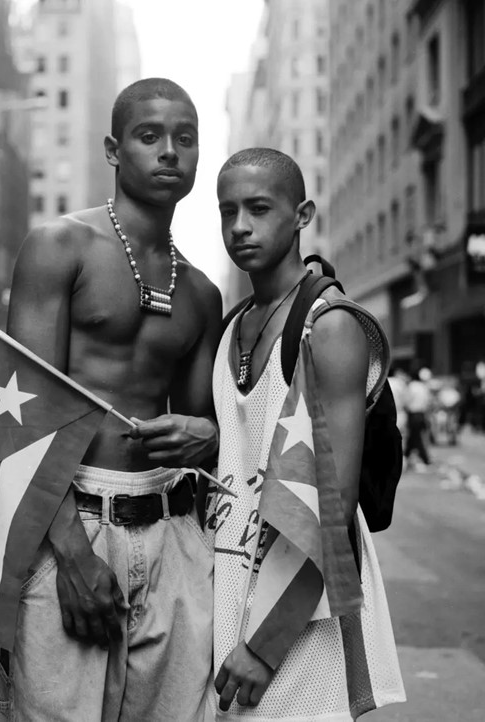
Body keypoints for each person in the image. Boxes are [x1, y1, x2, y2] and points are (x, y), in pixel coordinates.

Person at [0, 78, 223, 721]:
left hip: (174, 532)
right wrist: (70, 553)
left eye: (185, 138)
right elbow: (21, 413)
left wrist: (206, 436)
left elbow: (202, 430)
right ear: (114, 149)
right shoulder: (59, 246)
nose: (169, 152)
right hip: (69, 522)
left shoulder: (202, 294)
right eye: (150, 136)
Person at [204, 148, 405, 720]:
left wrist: (264, 647)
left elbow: (330, 510)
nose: (240, 226)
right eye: (228, 211)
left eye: (260, 208)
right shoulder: (231, 328)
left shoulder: (331, 326)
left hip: (298, 608)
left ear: (302, 214)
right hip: (231, 592)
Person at [404, 368, 433, 469]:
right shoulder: (423, 387)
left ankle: (424, 458)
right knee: (415, 436)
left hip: (414, 414)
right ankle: (407, 456)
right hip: (422, 414)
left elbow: (406, 401)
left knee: (415, 437)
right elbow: (429, 402)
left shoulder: (411, 386)